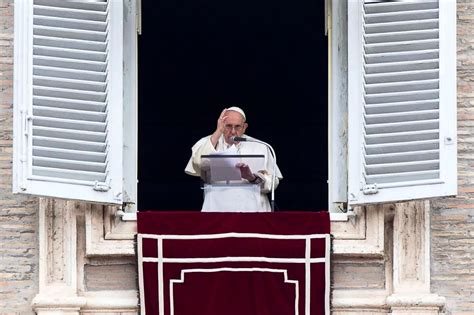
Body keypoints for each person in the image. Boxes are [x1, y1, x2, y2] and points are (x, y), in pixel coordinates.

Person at [185, 107, 283, 212]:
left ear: (244, 127)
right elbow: (198, 162)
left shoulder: (260, 146)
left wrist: (252, 177)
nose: (232, 132)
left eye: (237, 127)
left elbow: (273, 183)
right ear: (221, 124)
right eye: (228, 126)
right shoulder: (209, 142)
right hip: (217, 208)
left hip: (253, 209)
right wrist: (218, 131)